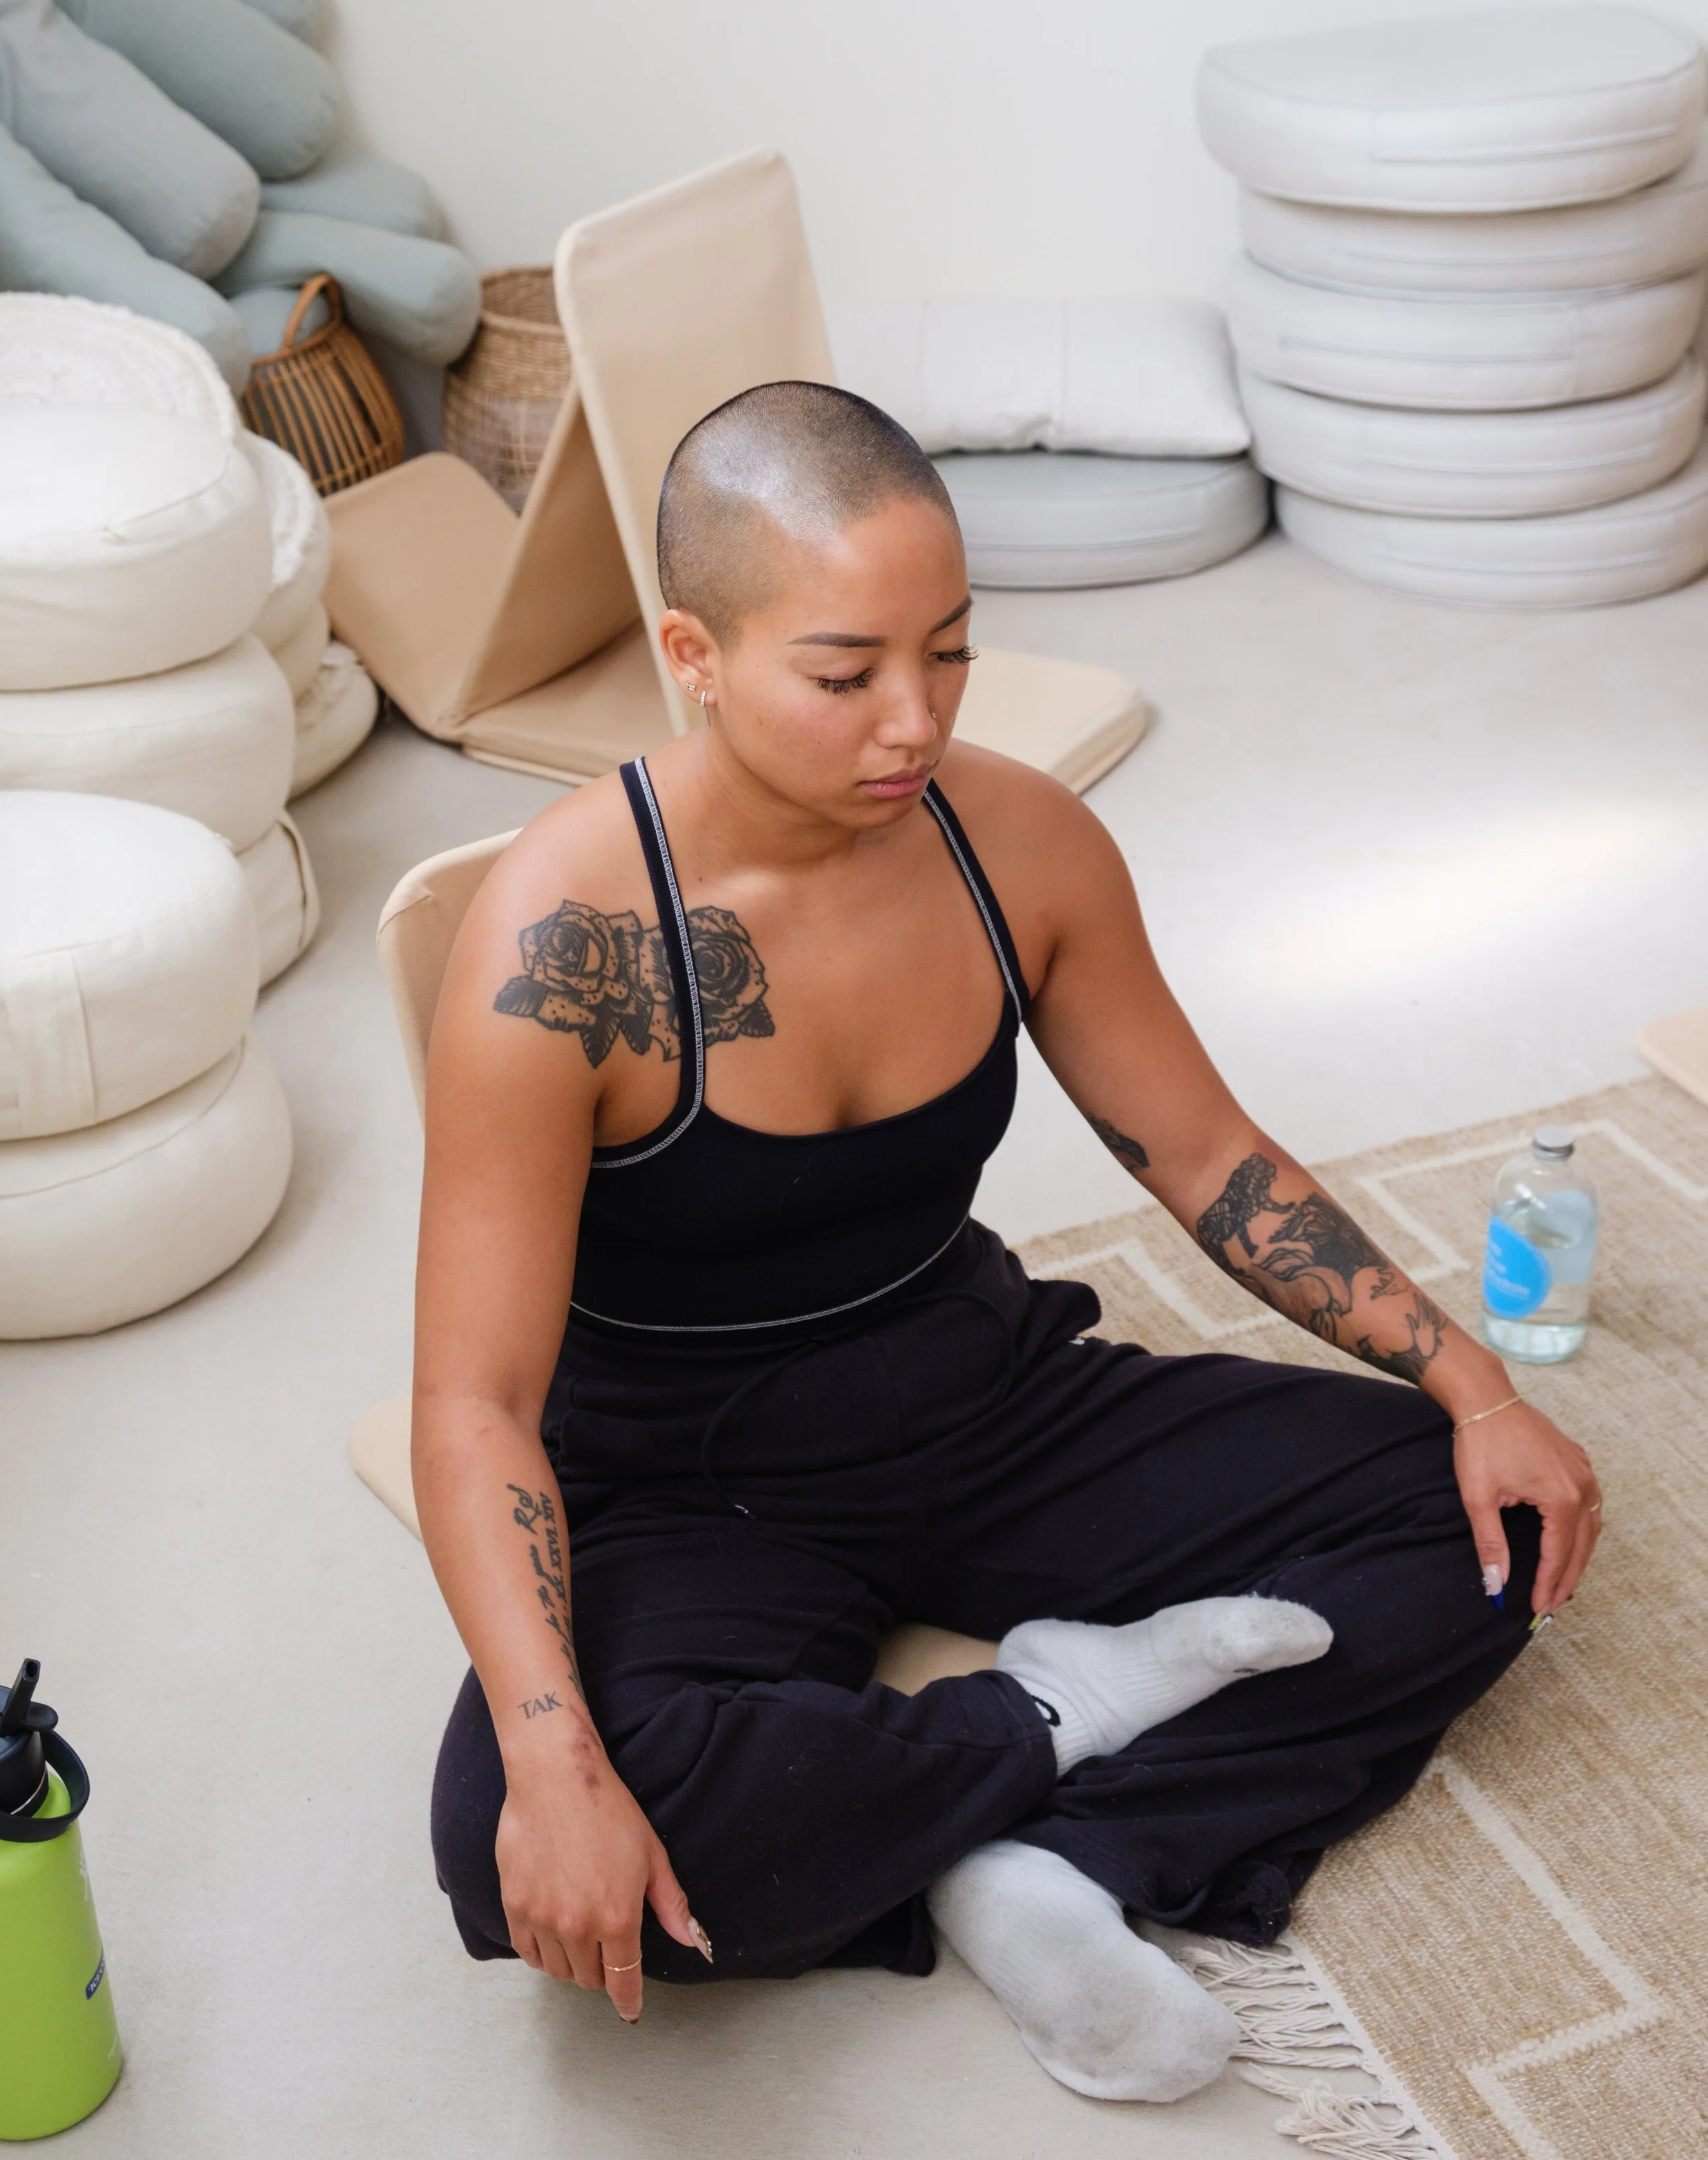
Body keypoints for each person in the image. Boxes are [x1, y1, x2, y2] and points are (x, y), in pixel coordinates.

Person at [415, 382, 1602, 2103]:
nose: (912, 720)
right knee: (513, 1849)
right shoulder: (562, 945)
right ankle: (1060, 1722)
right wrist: (552, 1754)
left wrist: (1467, 1376)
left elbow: (1201, 1153)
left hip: (981, 1389)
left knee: (1476, 1525)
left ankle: (1037, 1854)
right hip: (688, 1479)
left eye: (949, 652)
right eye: (844, 673)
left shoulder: (1013, 838)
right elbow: (469, 1400)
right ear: (693, 649)